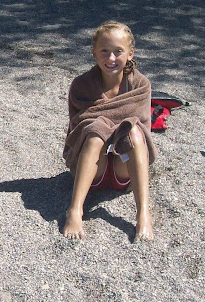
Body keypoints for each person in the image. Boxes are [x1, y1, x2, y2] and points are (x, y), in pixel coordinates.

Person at [63, 21, 157, 241]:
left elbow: (143, 125)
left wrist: (117, 128)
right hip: (91, 169)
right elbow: (78, 126)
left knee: (134, 132)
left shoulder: (140, 84)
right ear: (94, 53)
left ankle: (143, 212)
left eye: (118, 51)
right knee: (95, 132)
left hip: (123, 170)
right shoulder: (82, 85)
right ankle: (75, 209)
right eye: (104, 51)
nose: (111, 58)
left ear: (130, 53)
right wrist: (105, 127)